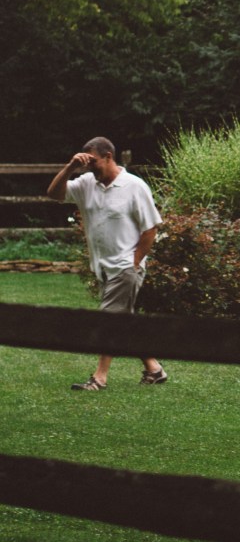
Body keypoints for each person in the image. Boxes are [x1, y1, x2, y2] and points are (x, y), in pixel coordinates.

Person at [47, 137, 165, 391]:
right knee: (123, 321)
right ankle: (154, 368)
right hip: (102, 267)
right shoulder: (86, 183)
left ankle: (99, 377)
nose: (91, 169)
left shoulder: (134, 186)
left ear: (109, 156)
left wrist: (134, 262)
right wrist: (70, 167)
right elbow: (54, 194)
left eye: (94, 162)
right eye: (87, 164)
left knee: (108, 320)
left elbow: (150, 228)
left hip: (125, 266)